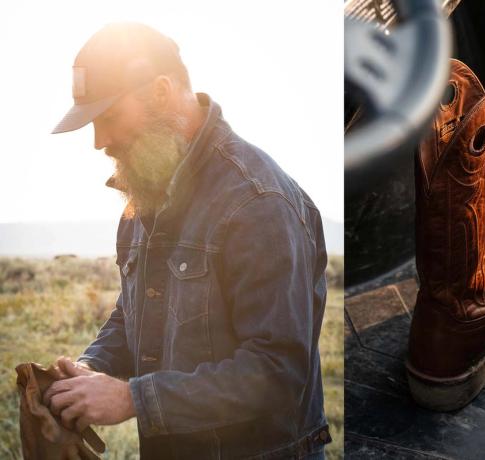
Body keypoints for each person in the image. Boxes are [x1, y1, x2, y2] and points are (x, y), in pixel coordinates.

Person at [42, 22, 331, 459]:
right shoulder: (143, 196)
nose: (100, 142)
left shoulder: (257, 202)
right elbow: (133, 314)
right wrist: (90, 368)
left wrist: (131, 398)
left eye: (110, 118)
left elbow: (278, 374)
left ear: (160, 92)